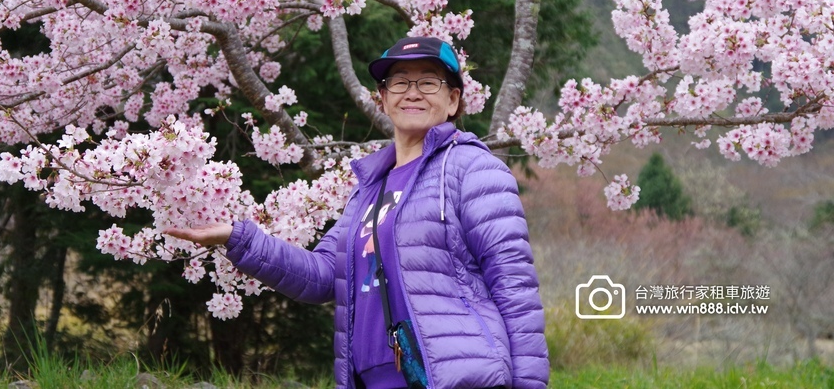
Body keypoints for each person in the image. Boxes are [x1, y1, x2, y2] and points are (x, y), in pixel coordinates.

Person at [165, 37, 549, 389]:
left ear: (453, 100)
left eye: (428, 82)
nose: (412, 93)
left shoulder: (473, 169)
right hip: (374, 380)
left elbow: (514, 288)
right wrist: (238, 238)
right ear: (382, 98)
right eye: (399, 82)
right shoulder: (369, 188)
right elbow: (322, 277)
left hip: (456, 376)